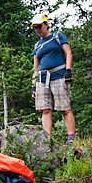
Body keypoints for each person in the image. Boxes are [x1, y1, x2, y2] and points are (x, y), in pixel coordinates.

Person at [31, 13, 75, 142]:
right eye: (35, 28)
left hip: (59, 76)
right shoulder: (37, 46)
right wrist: (34, 86)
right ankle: (47, 138)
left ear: (46, 24)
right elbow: (36, 69)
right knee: (45, 109)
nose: (37, 30)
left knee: (64, 109)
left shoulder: (57, 36)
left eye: (39, 26)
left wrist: (68, 70)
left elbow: (68, 52)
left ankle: (71, 137)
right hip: (42, 79)